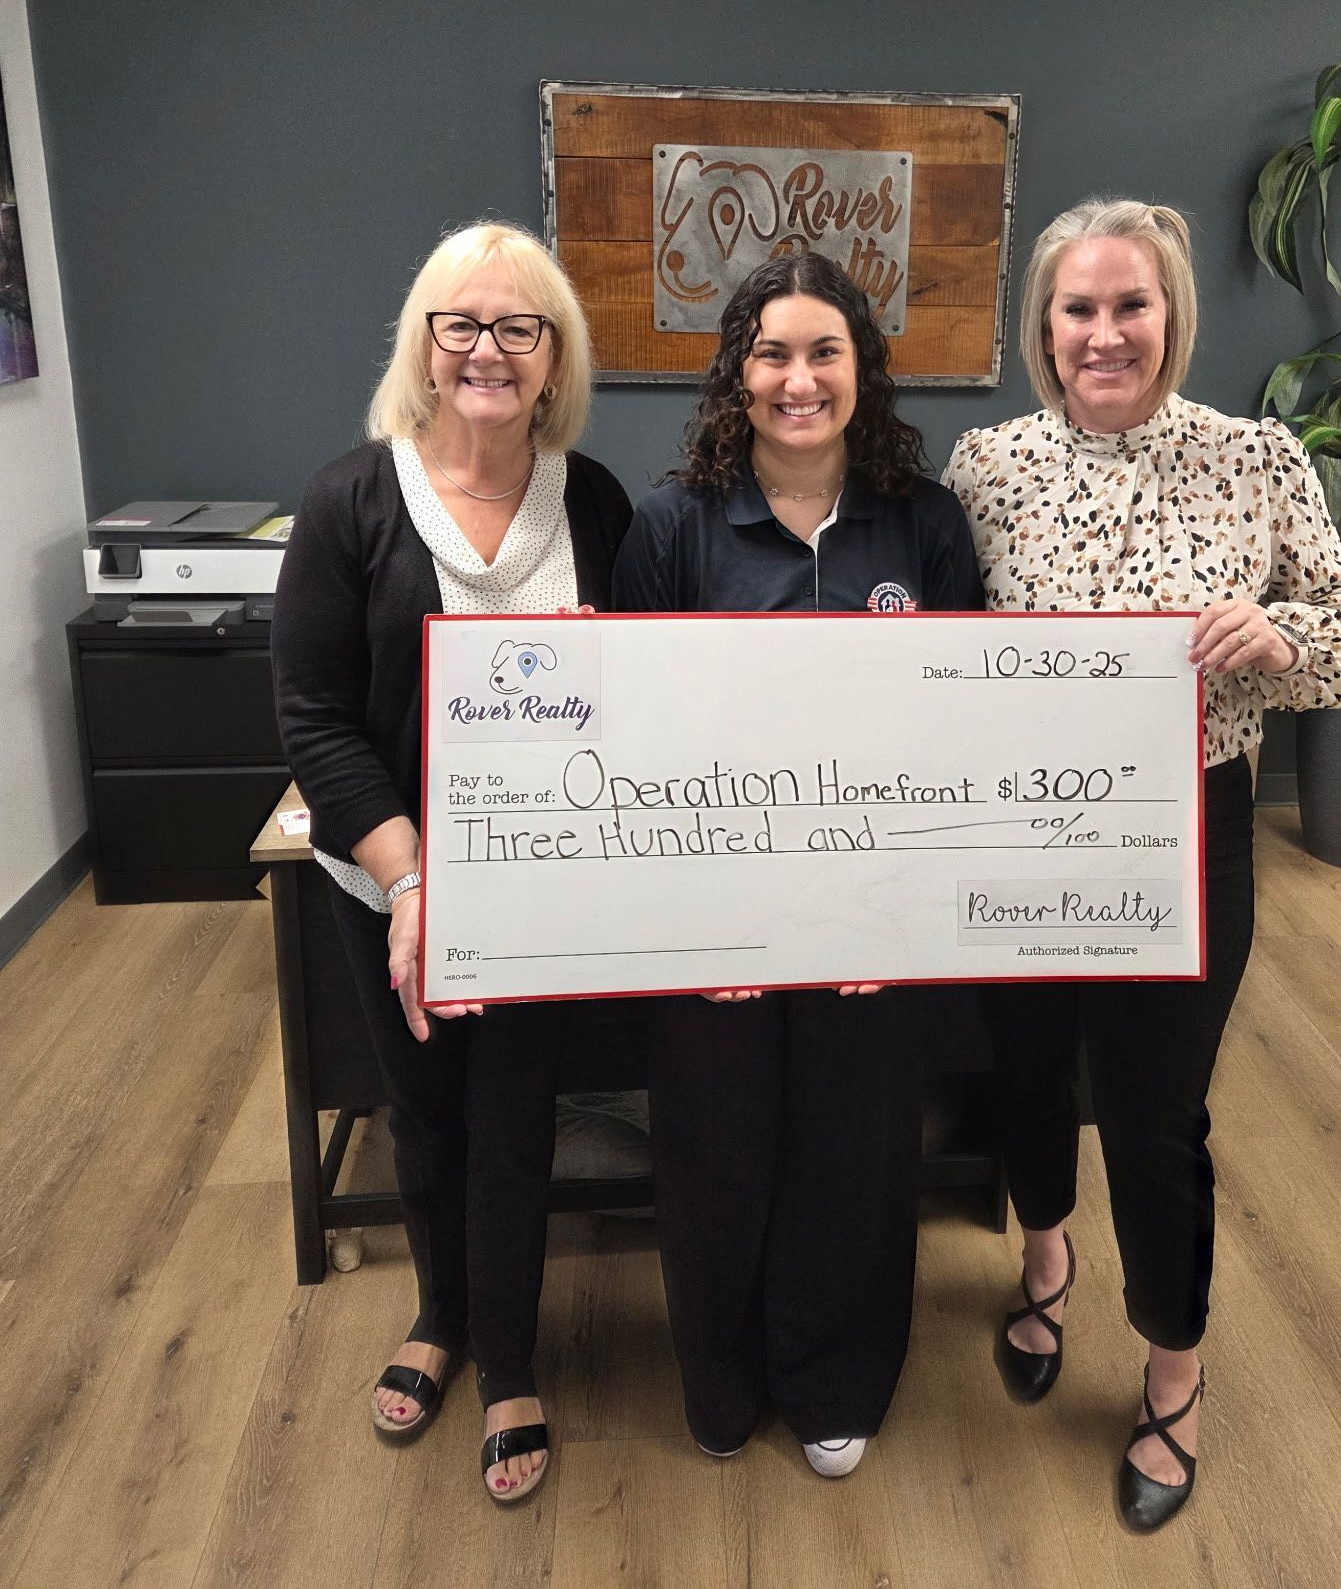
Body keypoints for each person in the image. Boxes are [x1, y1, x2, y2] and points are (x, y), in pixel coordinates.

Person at [942, 198, 1341, 1532]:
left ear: (1173, 317)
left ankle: (1174, 1377)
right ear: (1045, 328)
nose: (1106, 332)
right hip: (1016, 834)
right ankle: (1044, 1257)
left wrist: (1281, 636)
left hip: (1183, 834)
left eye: (1133, 306)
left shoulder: (1254, 459)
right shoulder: (985, 466)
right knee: (1022, 1071)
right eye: (1079, 309)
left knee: (1155, 1110)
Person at [271, 221, 631, 1506]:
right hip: (393, 883)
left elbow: (639, 688)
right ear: (425, 346)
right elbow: (313, 717)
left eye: (518, 328)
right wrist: (412, 876)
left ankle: (513, 1359)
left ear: (552, 358)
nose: (488, 348)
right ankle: (439, 1315)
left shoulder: (591, 500)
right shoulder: (349, 499)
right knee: (422, 1112)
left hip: (539, 894)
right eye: (462, 324)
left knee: (515, 1118)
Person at [612, 250, 985, 1478]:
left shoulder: (924, 523)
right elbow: (634, 749)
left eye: (825, 350)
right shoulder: (668, 526)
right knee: (715, 1152)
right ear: (737, 373)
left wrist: (901, 920)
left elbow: (967, 732)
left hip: (873, 923)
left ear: (862, 372)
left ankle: (834, 1377)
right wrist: (698, 929)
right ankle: (720, 1376)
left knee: (857, 1150)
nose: (799, 376)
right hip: (712, 925)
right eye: (773, 351)